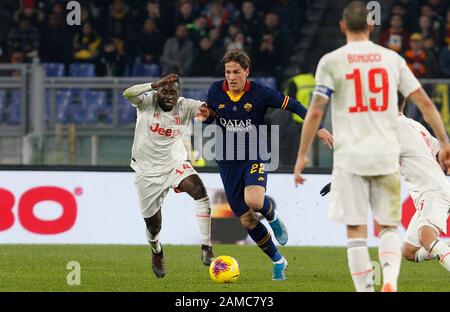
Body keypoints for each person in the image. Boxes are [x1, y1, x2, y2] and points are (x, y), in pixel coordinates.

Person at [294, 1, 450, 292]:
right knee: (397, 237)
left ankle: (368, 287)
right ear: (370, 26)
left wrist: (305, 155)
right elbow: (425, 106)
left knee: (359, 230)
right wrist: (443, 141)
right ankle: (390, 280)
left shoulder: (332, 61)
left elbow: (317, 112)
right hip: (409, 171)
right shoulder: (391, 63)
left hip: (395, 166)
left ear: (342, 27)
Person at [197, 50, 333, 281]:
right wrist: (206, 116)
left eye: (236, 72)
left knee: (254, 200)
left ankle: (272, 217)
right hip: (228, 159)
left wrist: (317, 126)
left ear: (246, 72)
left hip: (254, 152)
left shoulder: (260, 93)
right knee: (247, 219)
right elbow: (213, 116)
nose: (231, 77)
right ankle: (278, 260)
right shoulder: (215, 90)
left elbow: (294, 105)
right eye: (228, 72)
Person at [320, 93, 450, 276]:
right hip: (434, 190)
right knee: (409, 252)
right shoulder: (414, 125)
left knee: (427, 238)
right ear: (403, 105)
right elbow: (439, 152)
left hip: (433, 192)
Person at [123, 73, 214, 278]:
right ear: (158, 91)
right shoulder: (147, 102)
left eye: (173, 92)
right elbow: (127, 93)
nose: (169, 96)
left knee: (198, 189)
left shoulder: (186, 106)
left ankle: (207, 247)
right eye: (164, 91)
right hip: (146, 173)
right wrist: (153, 84)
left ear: (178, 94)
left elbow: (206, 111)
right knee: (154, 226)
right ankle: (156, 250)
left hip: (175, 164)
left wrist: (208, 112)